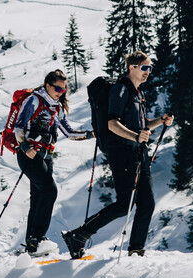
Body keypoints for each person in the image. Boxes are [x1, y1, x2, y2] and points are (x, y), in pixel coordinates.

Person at [62, 51, 174, 258]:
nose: (148, 72)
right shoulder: (120, 90)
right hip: (122, 153)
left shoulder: (138, 93)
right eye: (144, 68)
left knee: (147, 204)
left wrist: (160, 120)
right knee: (125, 204)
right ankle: (79, 234)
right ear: (132, 67)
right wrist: (135, 136)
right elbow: (112, 124)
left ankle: (136, 250)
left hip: (138, 154)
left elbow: (142, 126)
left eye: (150, 68)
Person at [14, 69, 95, 256]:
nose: (61, 92)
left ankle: (32, 244)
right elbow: (19, 126)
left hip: (46, 155)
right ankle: (38, 239)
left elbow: (69, 133)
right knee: (50, 191)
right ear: (48, 86)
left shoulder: (56, 107)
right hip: (30, 154)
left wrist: (92, 134)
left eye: (63, 90)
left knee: (38, 197)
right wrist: (26, 147)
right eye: (57, 89)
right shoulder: (34, 100)